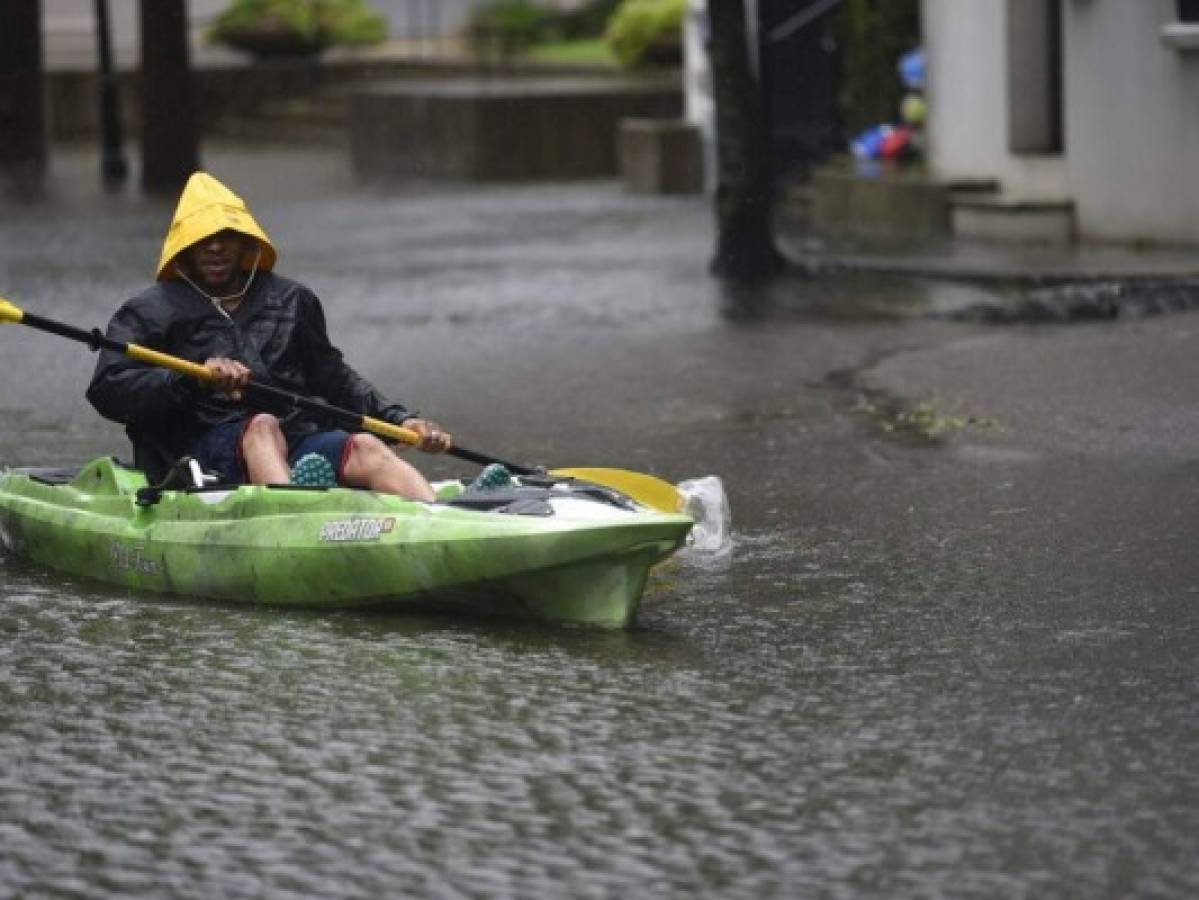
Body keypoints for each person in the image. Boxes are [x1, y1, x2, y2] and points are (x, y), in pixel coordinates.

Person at [86, 171, 450, 502]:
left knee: (366, 445)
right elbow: (108, 389)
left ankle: (439, 523)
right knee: (262, 426)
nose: (215, 247)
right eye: (203, 238)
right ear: (184, 246)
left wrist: (400, 422)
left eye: (226, 236)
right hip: (199, 454)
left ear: (246, 243)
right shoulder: (148, 311)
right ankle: (296, 516)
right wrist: (191, 378)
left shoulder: (293, 300)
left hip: (296, 438)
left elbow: (333, 377)